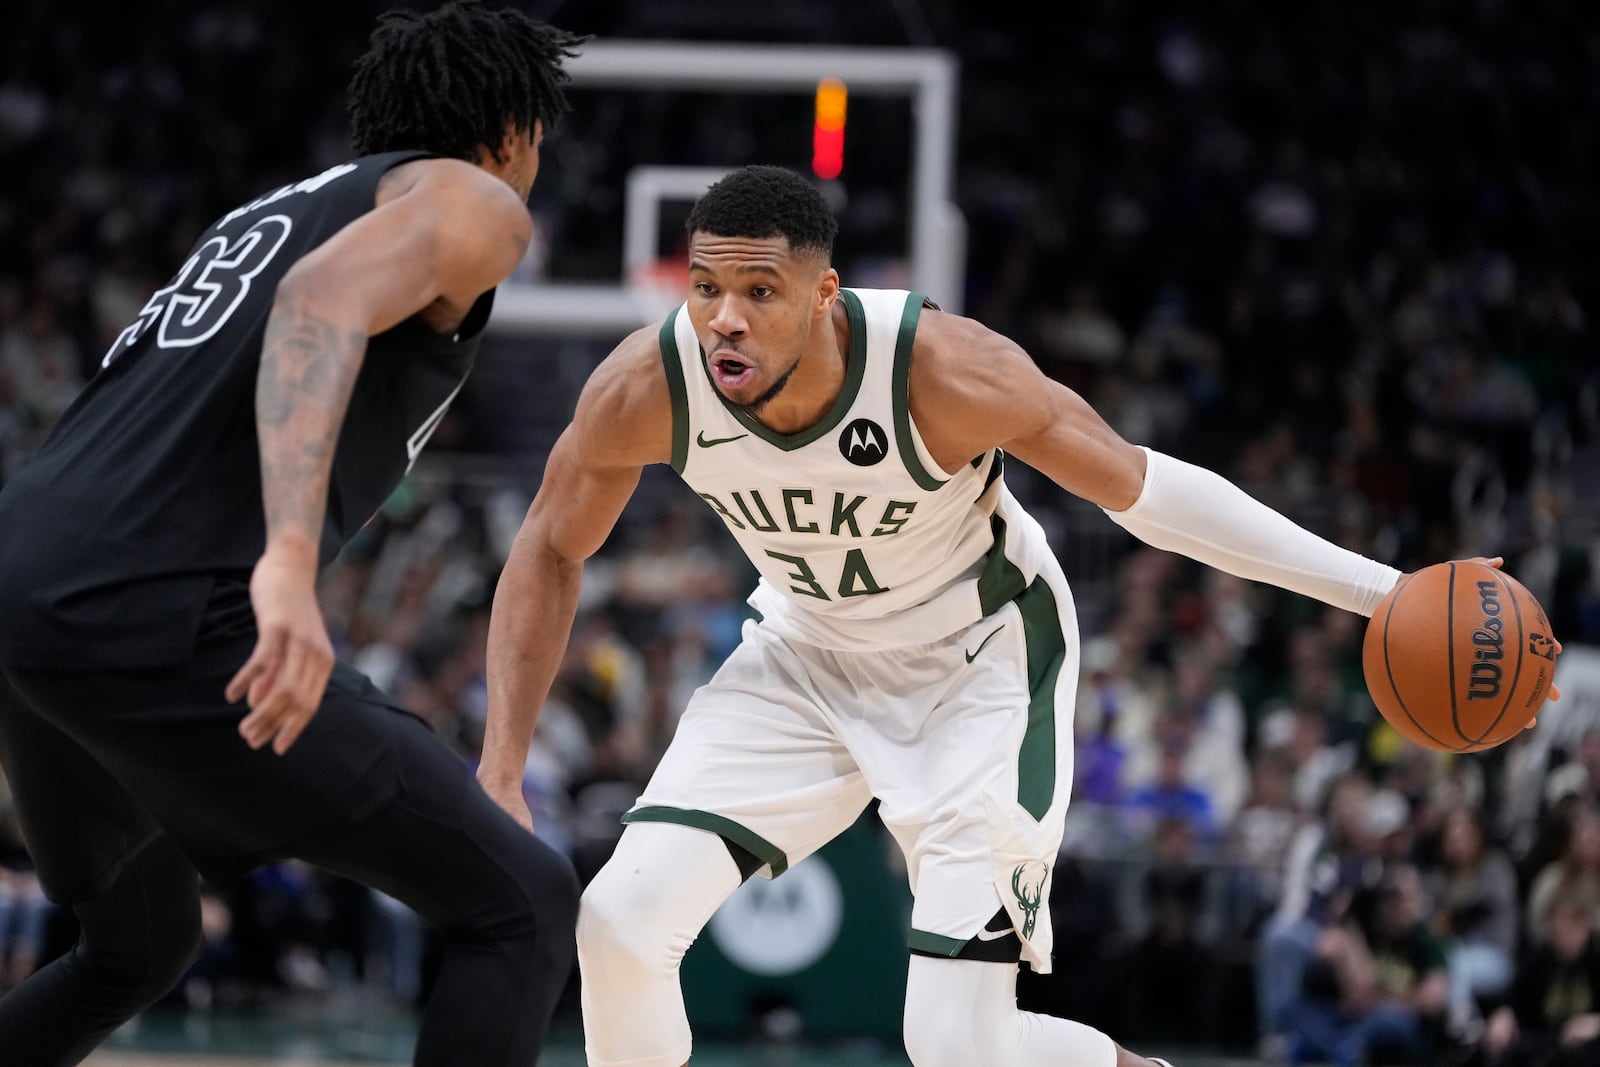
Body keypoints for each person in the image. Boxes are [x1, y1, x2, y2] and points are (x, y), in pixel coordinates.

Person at [473, 163, 1514, 1067]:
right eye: (705, 288)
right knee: (616, 919)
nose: (724, 318)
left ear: (824, 295)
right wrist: (502, 765)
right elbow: (551, 546)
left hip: (981, 668)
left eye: (758, 290)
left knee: (956, 1043)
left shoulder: (940, 370)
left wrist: (1381, 591)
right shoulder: (645, 387)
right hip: (805, 653)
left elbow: (1142, 489)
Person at [0, 4, 585, 1064]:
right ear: (511, 131)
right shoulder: (474, 201)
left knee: (138, 941)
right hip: (153, 601)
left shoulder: (268, 211)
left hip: (25, 589)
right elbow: (318, 304)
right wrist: (285, 561)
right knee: (524, 903)